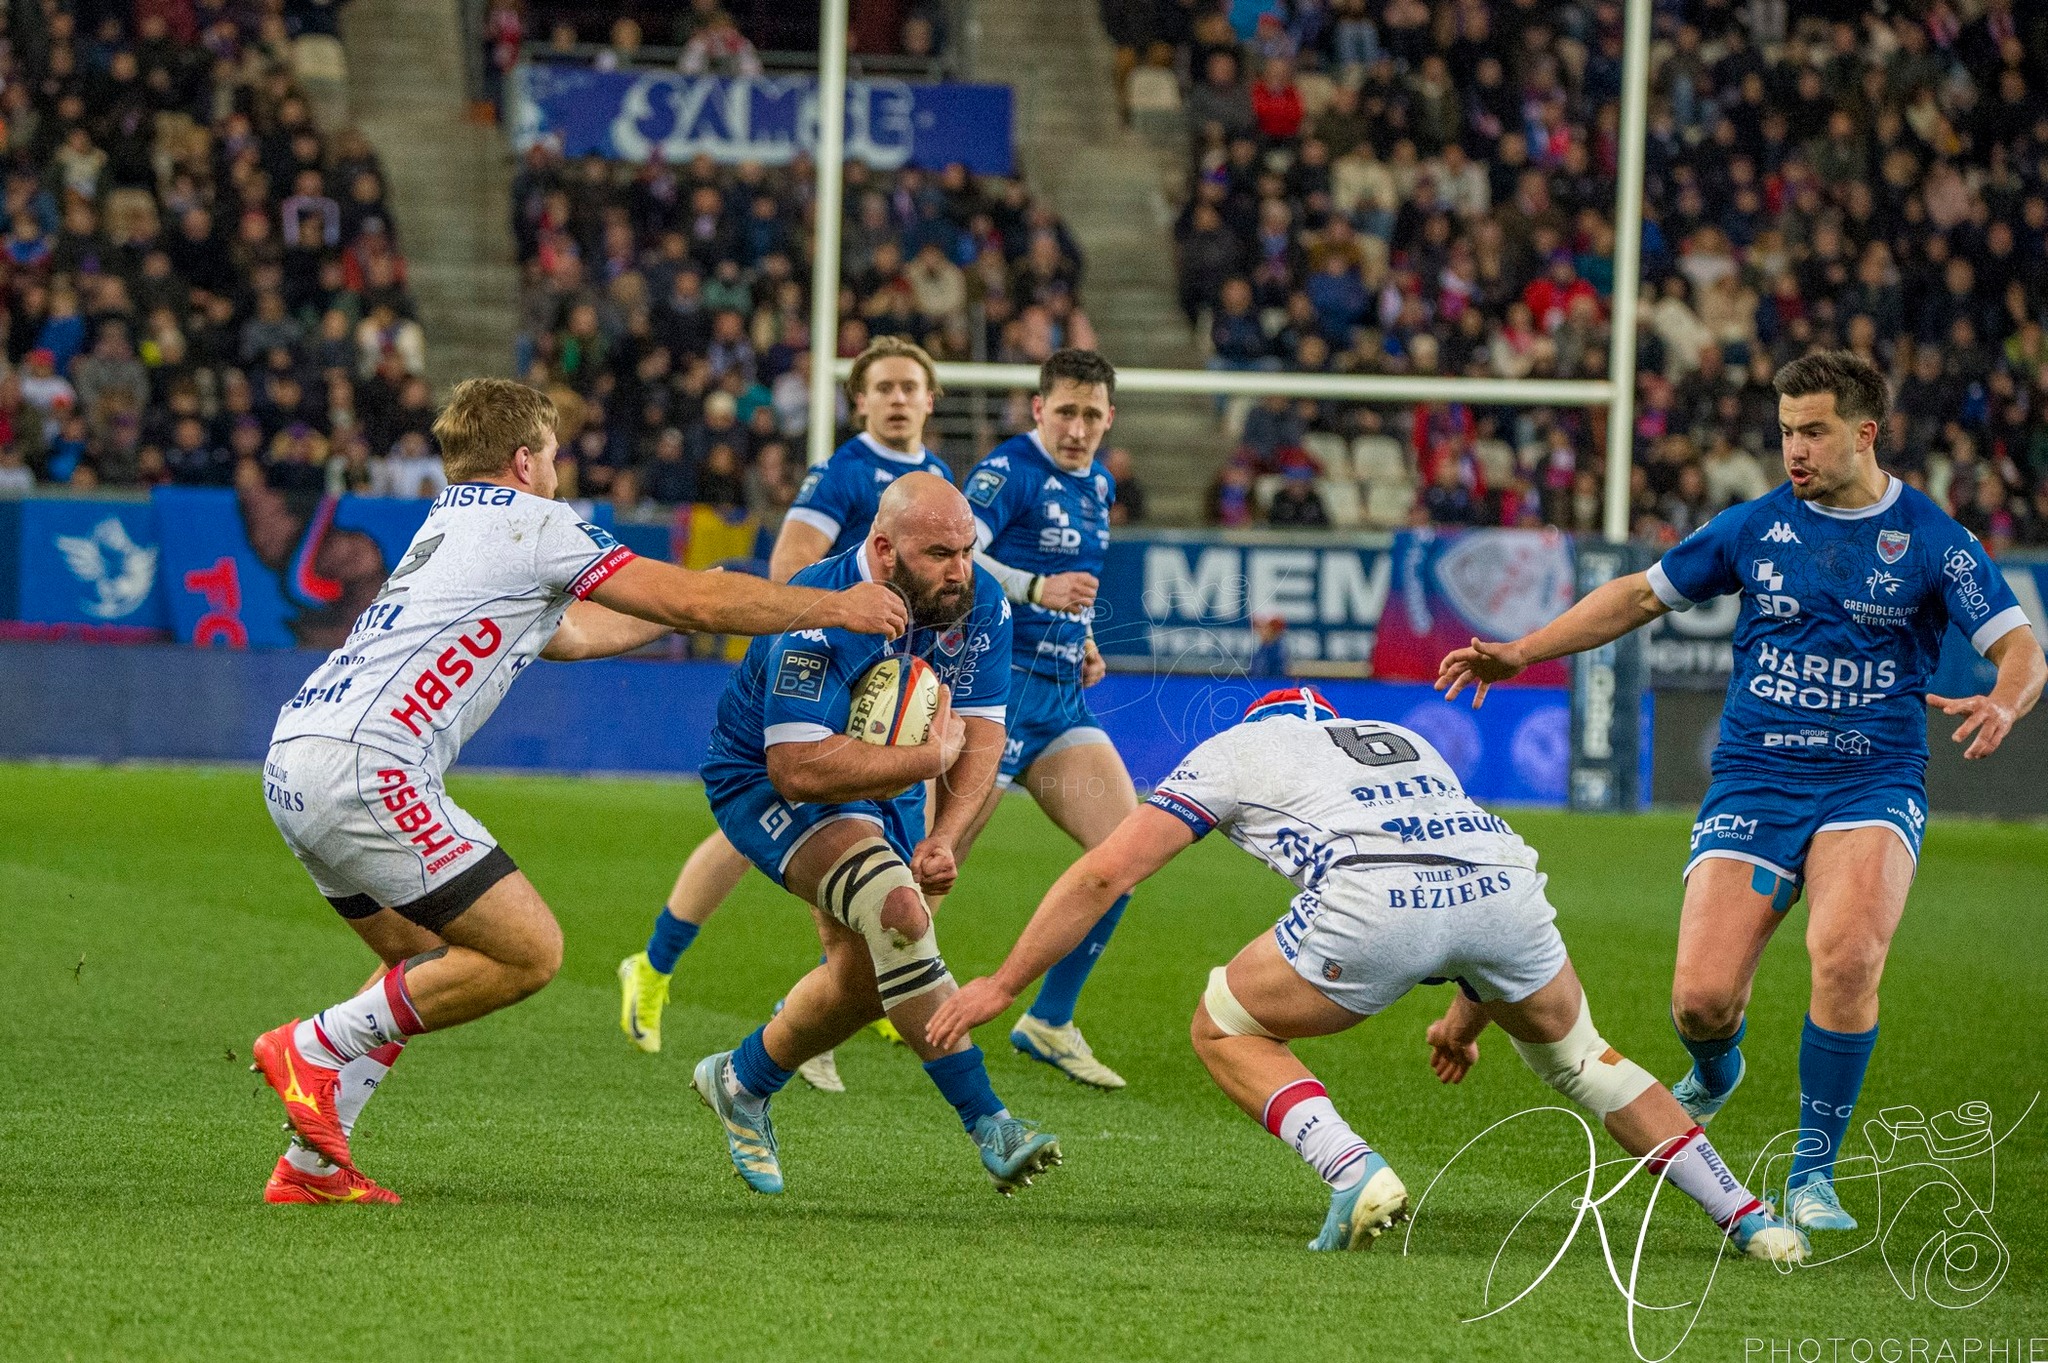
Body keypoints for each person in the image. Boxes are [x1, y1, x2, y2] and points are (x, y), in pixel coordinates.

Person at [250, 379, 906, 1205]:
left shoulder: (451, 522)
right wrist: (834, 605)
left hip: (296, 756)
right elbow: (695, 597)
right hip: (367, 768)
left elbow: (571, 633)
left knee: (421, 962)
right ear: (526, 461)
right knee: (529, 952)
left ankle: (311, 1166)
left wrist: (681, 611)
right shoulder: (536, 522)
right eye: (555, 455)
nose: (559, 471)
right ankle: (313, 1044)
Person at [1437, 351, 2045, 1233]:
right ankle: (1718, 1066)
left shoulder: (1932, 539)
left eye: (1814, 432)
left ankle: (1813, 1173)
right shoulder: (1754, 527)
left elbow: (2022, 647)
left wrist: (2005, 700)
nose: (1794, 449)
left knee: (1847, 956)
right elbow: (1638, 596)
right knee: (1700, 1000)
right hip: (1756, 781)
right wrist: (1522, 651)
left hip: (1871, 781)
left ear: (1865, 433)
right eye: (1787, 431)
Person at [930, 689, 1810, 1261]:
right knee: (1586, 1058)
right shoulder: (1400, 736)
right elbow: (1455, 887)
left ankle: (1351, 1167)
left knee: (1222, 1021)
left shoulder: (1235, 748)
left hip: (1374, 895)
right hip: (1503, 881)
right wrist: (1465, 1019)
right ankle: (1750, 1217)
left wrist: (1001, 983)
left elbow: (1104, 873)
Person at [691, 473, 1062, 1196]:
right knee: (898, 911)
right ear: (886, 550)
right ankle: (991, 1122)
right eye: (940, 555)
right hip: (763, 779)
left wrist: (946, 835)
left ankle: (740, 1080)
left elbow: (982, 730)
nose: (960, 570)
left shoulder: (977, 598)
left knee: (863, 982)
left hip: (886, 782)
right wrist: (927, 761)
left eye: (967, 550)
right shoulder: (819, 606)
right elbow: (797, 768)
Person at [619, 338, 953, 1088]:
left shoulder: (936, 478)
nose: (899, 399)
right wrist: (842, 631)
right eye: (884, 388)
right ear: (859, 402)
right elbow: (788, 569)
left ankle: (861, 986)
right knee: (786, 829)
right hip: (827, 674)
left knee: (897, 822)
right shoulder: (842, 472)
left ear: (932, 400)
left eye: (910, 387)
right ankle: (660, 967)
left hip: (891, 679)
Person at [948, 349, 1133, 1087]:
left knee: (1124, 855)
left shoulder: (1100, 483)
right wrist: (1034, 589)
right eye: (1065, 412)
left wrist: (1081, 638)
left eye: (1091, 415)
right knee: (936, 862)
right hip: (996, 690)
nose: (1078, 429)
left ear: (1109, 417)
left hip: (1058, 698)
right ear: (1037, 410)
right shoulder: (1007, 472)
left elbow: (1072, 589)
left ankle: (1049, 1019)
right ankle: (831, 1005)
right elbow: (956, 555)